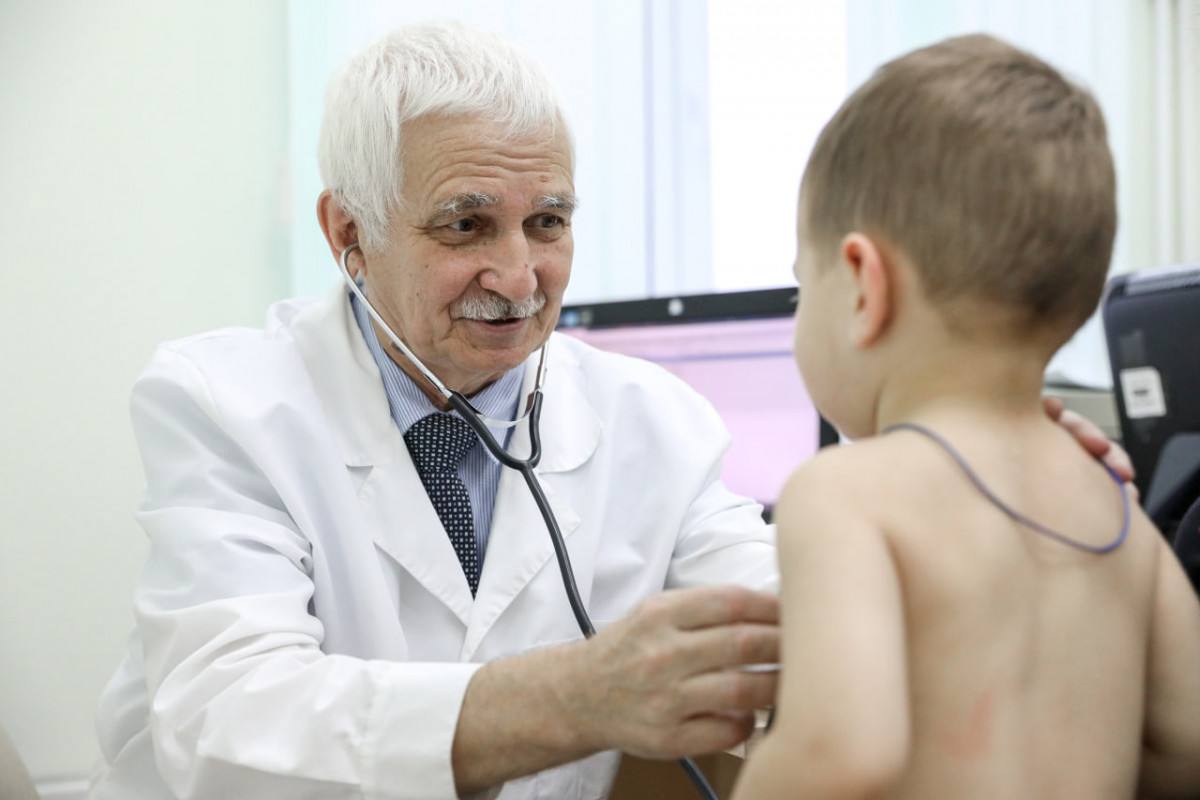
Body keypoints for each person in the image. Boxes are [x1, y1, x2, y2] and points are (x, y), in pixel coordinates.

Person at [91, 23, 1135, 800]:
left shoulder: (654, 420)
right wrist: (572, 696)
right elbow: (223, 721)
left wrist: (983, 477)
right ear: (348, 234)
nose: (519, 274)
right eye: (466, 226)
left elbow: (802, 618)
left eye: (548, 221)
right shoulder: (225, 404)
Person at [732, 34, 1200, 799]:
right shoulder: (1115, 506)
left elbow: (839, 753)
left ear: (862, 284)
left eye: (799, 290)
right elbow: (1186, 744)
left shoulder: (844, 493)